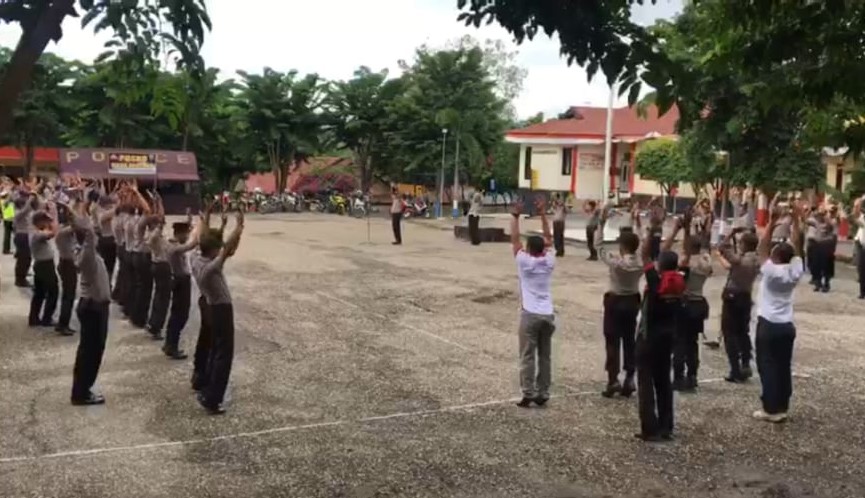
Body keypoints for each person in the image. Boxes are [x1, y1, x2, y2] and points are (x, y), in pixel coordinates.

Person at [752, 200, 804, 423]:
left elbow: (761, 247)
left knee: (768, 365)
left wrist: (772, 221)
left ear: (775, 257)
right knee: (783, 365)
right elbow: (798, 245)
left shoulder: (772, 272)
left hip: (769, 323)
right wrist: (796, 220)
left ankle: (770, 409)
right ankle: (782, 405)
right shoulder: (795, 271)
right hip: (786, 325)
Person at [635, 222, 685, 442]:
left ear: (660, 266)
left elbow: (645, 254)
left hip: (648, 338)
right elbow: (672, 257)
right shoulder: (679, 281)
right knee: (664, 381)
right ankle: (667, 426)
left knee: (645, 383)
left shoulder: (655, 282)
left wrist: (651, 229)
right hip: (668, 337)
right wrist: (678, 229)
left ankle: (650, 427)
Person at [192, 209, 245, 415]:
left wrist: (210, 221)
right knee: (224, 354)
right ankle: (213, 398)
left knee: (214, 350)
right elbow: (226, 249)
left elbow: (221, 246)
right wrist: (238, 228)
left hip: (210, 306)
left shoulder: (195, 259)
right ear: (213, 250)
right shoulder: (211, 269)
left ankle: (205, 386)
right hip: (221, 309)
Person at [510, 197, 556, 408]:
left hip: (529, 313)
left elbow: (514, 239)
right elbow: (549, 237)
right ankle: (543, 391)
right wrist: (543, 213)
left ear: (529, 249)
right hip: (547, 313)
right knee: (545, 355)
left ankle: (528, 392)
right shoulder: (548, 260)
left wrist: (515, 216)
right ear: (543, 248)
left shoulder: (524, 261)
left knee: (527, 354)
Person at [66, 198, 111, 406]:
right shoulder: (87, 255)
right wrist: (78, 211)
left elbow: (87, 232)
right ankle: (82, 393)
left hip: (91, 305)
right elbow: (91, 233)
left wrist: (78, 210)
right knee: (91, 352)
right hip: (94, 307)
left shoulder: (80, 249)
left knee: (88, 350)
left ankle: (82, 389)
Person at [596, 203, 643, 398]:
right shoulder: (640, 262)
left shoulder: (617, 262)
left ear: (622, 247)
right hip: (632, 300)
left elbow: (598, 246)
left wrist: (601, 222)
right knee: (629, 339)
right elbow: (645, 244)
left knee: (612, 340)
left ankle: (613, 379)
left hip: (615, 300)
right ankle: (630, 377)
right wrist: (637, 221)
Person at [717, 219, 762, 383]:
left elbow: (721, 247)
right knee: (743, 332)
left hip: (732, 295)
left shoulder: (739, 260)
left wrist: (731, 233)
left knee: (730, 332)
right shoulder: (757, 259)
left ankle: (735, 369)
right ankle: (745, 363)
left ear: (742, 244)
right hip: (746, 295)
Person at [674, 210, 712, 391]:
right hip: (699, 302)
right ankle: (693, 375)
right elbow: (698, 249)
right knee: (693, 342)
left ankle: (679, 376)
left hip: (686, 303)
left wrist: (686, 230)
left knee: (680, 341)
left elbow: (684, 260)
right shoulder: (706, 261)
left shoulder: (687, 262)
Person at [164, 214, 199, 360]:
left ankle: (169, 344)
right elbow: (192, 244)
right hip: (180, 281)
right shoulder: (174, 248)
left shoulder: (172, 244)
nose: (187, 236)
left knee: (176, 314)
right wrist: (201, 225)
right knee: (180, 315)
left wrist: (190, 222)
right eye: (186, 233)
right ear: (179, 234)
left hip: (179, 280)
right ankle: (172, 346)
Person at [28, 206, 60, 327]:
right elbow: (53, 233)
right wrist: (55, 215)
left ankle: (34, 318)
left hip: (41, 265)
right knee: (53, 292)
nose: (47, 223)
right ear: (39, 222)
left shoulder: (34, 232)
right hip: (44, 266)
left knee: (39, 293)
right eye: (45, 221)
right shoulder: (37, 234)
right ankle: (47, 318)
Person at [146, 195, 170, 341]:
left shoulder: (151, 234)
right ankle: (157, 327)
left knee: (158, 297)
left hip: (156, 264)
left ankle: (153, 323)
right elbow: (161, 217)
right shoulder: (155, 234)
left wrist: (157, 202)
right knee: (163, 299)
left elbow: (159, 217)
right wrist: (159, 202)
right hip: (162, 266)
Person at [55, 205, 78, 335]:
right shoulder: (64, 232)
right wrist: (72, 210)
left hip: (65, 263)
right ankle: (63, 324)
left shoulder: (62, 231)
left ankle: (62, 323)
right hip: (68, 264)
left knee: (67, 295)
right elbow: (77, 225)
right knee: (68, 296)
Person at [13, 190, 37, 287]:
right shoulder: (18, 213)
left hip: (24, 236)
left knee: (25, 259)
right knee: (23, 259)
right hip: (22, 237)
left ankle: (22, 276)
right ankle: (20, 280)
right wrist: (31, 198)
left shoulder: (24, 213)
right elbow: (26, 208)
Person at [852, 196, 865, 299]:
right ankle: (862, 292)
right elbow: (855, 216)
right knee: (861, 268)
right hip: (861, 244)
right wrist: (857, 205)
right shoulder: (862, 216)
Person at [2, 186, 14, 255]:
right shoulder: (8, 193)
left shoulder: (5, 192)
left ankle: (6, 249)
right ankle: (6, 249)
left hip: (7, 215)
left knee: (7, 234)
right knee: (9, 234)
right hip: (9, 216)